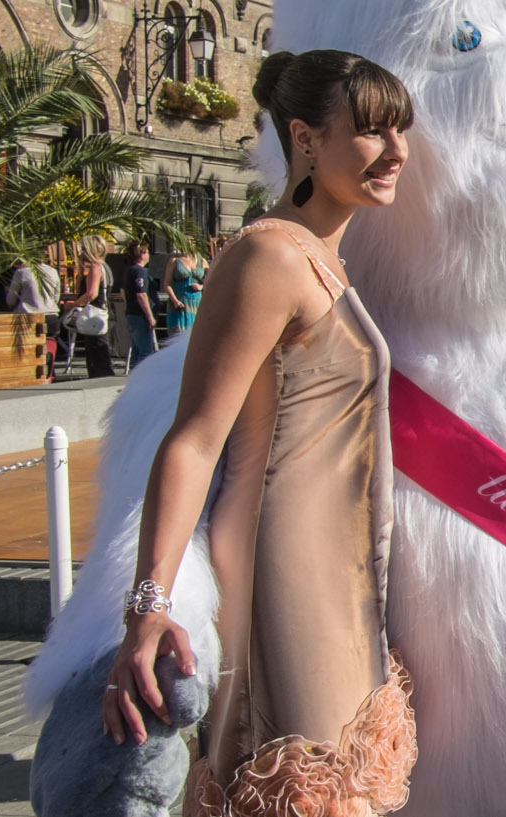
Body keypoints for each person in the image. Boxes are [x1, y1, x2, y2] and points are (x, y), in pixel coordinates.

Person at [99, 49, 418, 813]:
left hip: (340, 567)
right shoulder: (269, 255)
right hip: (286, 569)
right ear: (304, 138)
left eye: (401, 129)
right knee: (300, 785)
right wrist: (148, 604)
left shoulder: (321, 257)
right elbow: (194, 439)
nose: (397, 150)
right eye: (374, 131)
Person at [62, 238, 116, 378]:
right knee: (101, 353)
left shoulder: (95, 268)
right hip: (104, 313)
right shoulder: (107, 267)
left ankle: (101, 384)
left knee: (97, 356)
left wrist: (73, 305)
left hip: (94, 315)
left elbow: (91, 294)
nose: (81, 254)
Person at [120, 241, 159, 364]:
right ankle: (142, 376)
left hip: (132, 313)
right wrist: (150, 316)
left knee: (136, 350)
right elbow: (141, 294)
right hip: (139, 315)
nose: (148, 255)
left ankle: (133, 373)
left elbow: (123, 291)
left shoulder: (130, 270)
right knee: (145, 350)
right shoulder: (140, 271)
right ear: (141, 254)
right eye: (147, 252)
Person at [162, 249, 207, 333]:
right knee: (179, 335)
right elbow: (167, 284)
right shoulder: (174, 260)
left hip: (196, 304)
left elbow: (211, 280)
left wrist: (201, 287)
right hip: (180, 304)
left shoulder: (202, 261)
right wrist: (175, 301)